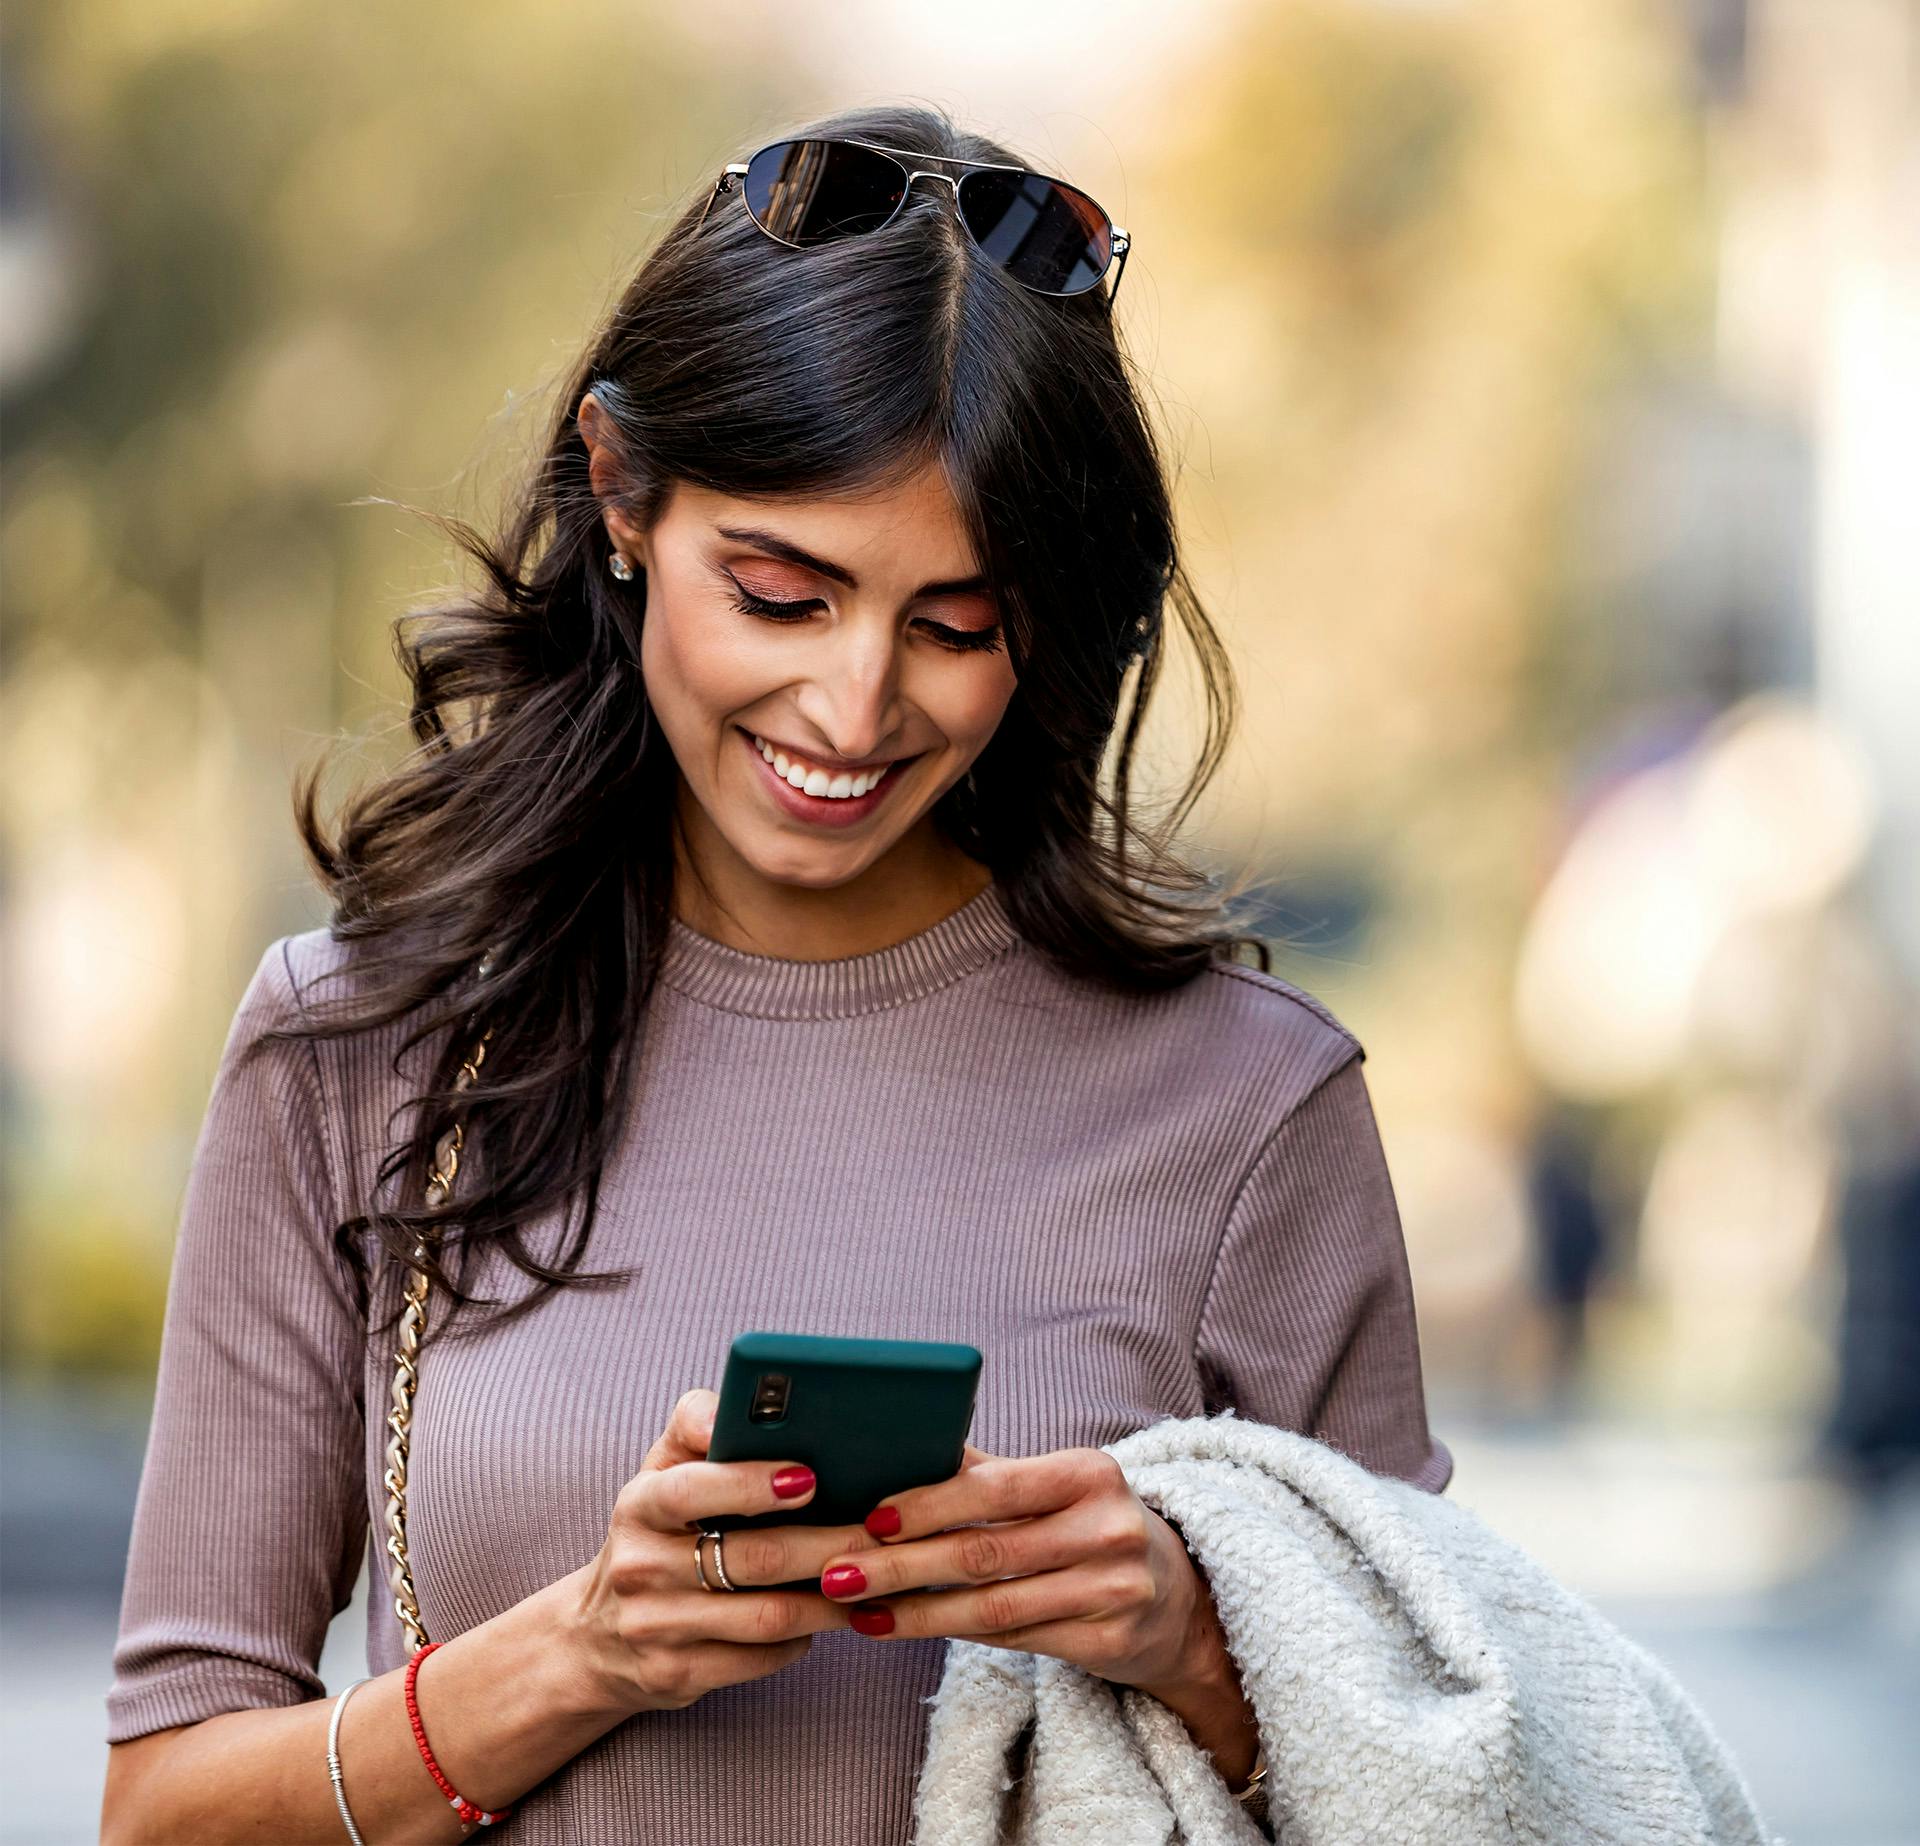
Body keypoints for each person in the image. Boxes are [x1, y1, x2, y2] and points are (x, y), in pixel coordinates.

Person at [100, 101, 1449, 1846]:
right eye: (782, 591)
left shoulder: (1251, 1109)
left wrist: (1195, 1639)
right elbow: (160, 1811)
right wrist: (585, 1652)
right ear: (621, 493)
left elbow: (1457, 1768)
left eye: (958, 624)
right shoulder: (358, 1048)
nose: (856, 704)